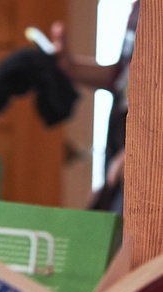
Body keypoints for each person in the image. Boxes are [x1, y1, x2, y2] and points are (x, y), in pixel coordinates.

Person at [49, 3, 138, 212]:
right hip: (121, 168)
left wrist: (142, 152)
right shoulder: (140, 8)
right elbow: (126, 78)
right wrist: (72, 68)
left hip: (144, 169)